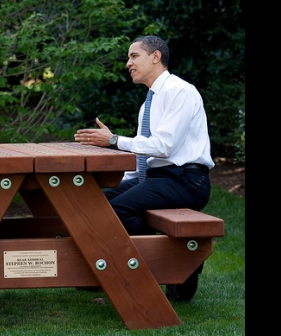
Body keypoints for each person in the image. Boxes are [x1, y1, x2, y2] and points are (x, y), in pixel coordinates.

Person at [74, 35, 214, 301]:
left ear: (156, 57)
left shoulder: (179, 91)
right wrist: (122, 181)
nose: (128, 63)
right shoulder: (148, 103)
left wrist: (114, 140)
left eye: (134, 56)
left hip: (186, 180)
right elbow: (143, 155)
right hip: (156, 178)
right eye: (129, 58)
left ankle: (173, 263)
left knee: (116, 211)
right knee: (97, 204)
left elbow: (164, 147)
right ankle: (176, 258)